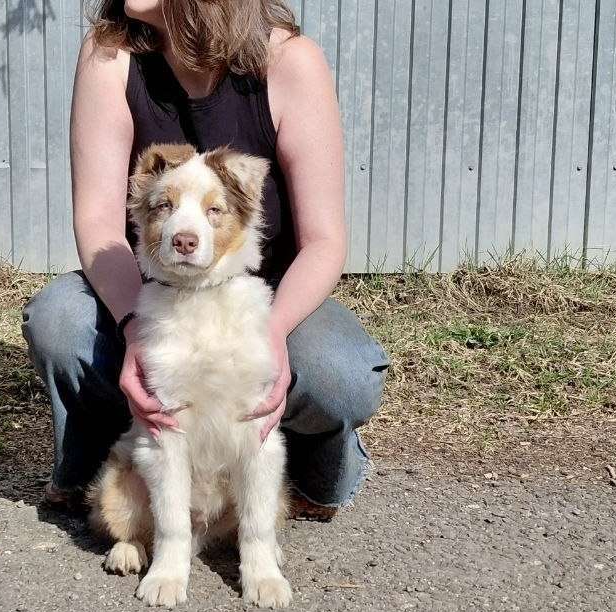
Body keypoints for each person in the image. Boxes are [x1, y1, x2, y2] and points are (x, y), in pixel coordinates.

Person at [22, 0, 389, 520]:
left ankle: (307, 469)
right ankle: (115, 470)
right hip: (155, 296)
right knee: (61, 320)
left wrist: (272, 333)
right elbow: (100, 226)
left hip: (260, 296)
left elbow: (325, 241)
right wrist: (135, 332)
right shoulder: (110, 58)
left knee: (340, 374)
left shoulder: (291, 63)